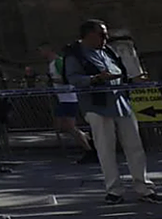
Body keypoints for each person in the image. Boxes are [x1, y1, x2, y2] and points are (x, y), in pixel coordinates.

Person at [63, 19, 160, 204]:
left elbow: (120, 75)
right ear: (89, 34)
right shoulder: (75, 54)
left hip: (121, 103)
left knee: (135, 147)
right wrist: (96, 78)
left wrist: (133, 81)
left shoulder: (108, 51)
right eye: (101, 34)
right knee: (106, 149)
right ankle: (114, 190)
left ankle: (144, 188)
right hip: (97, 106)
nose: (105, 37)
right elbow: (73, 79)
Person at [41, 43, 96, 162]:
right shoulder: (51, 64)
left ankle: (89, 150)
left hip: (69, 98)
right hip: (63, 98)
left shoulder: (58, 62)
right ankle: (88, 141)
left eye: (42, 50)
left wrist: (51, 80)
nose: (41, 53)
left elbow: (67, 79)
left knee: (69, 126)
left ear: (48, 50)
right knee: (63, 126)